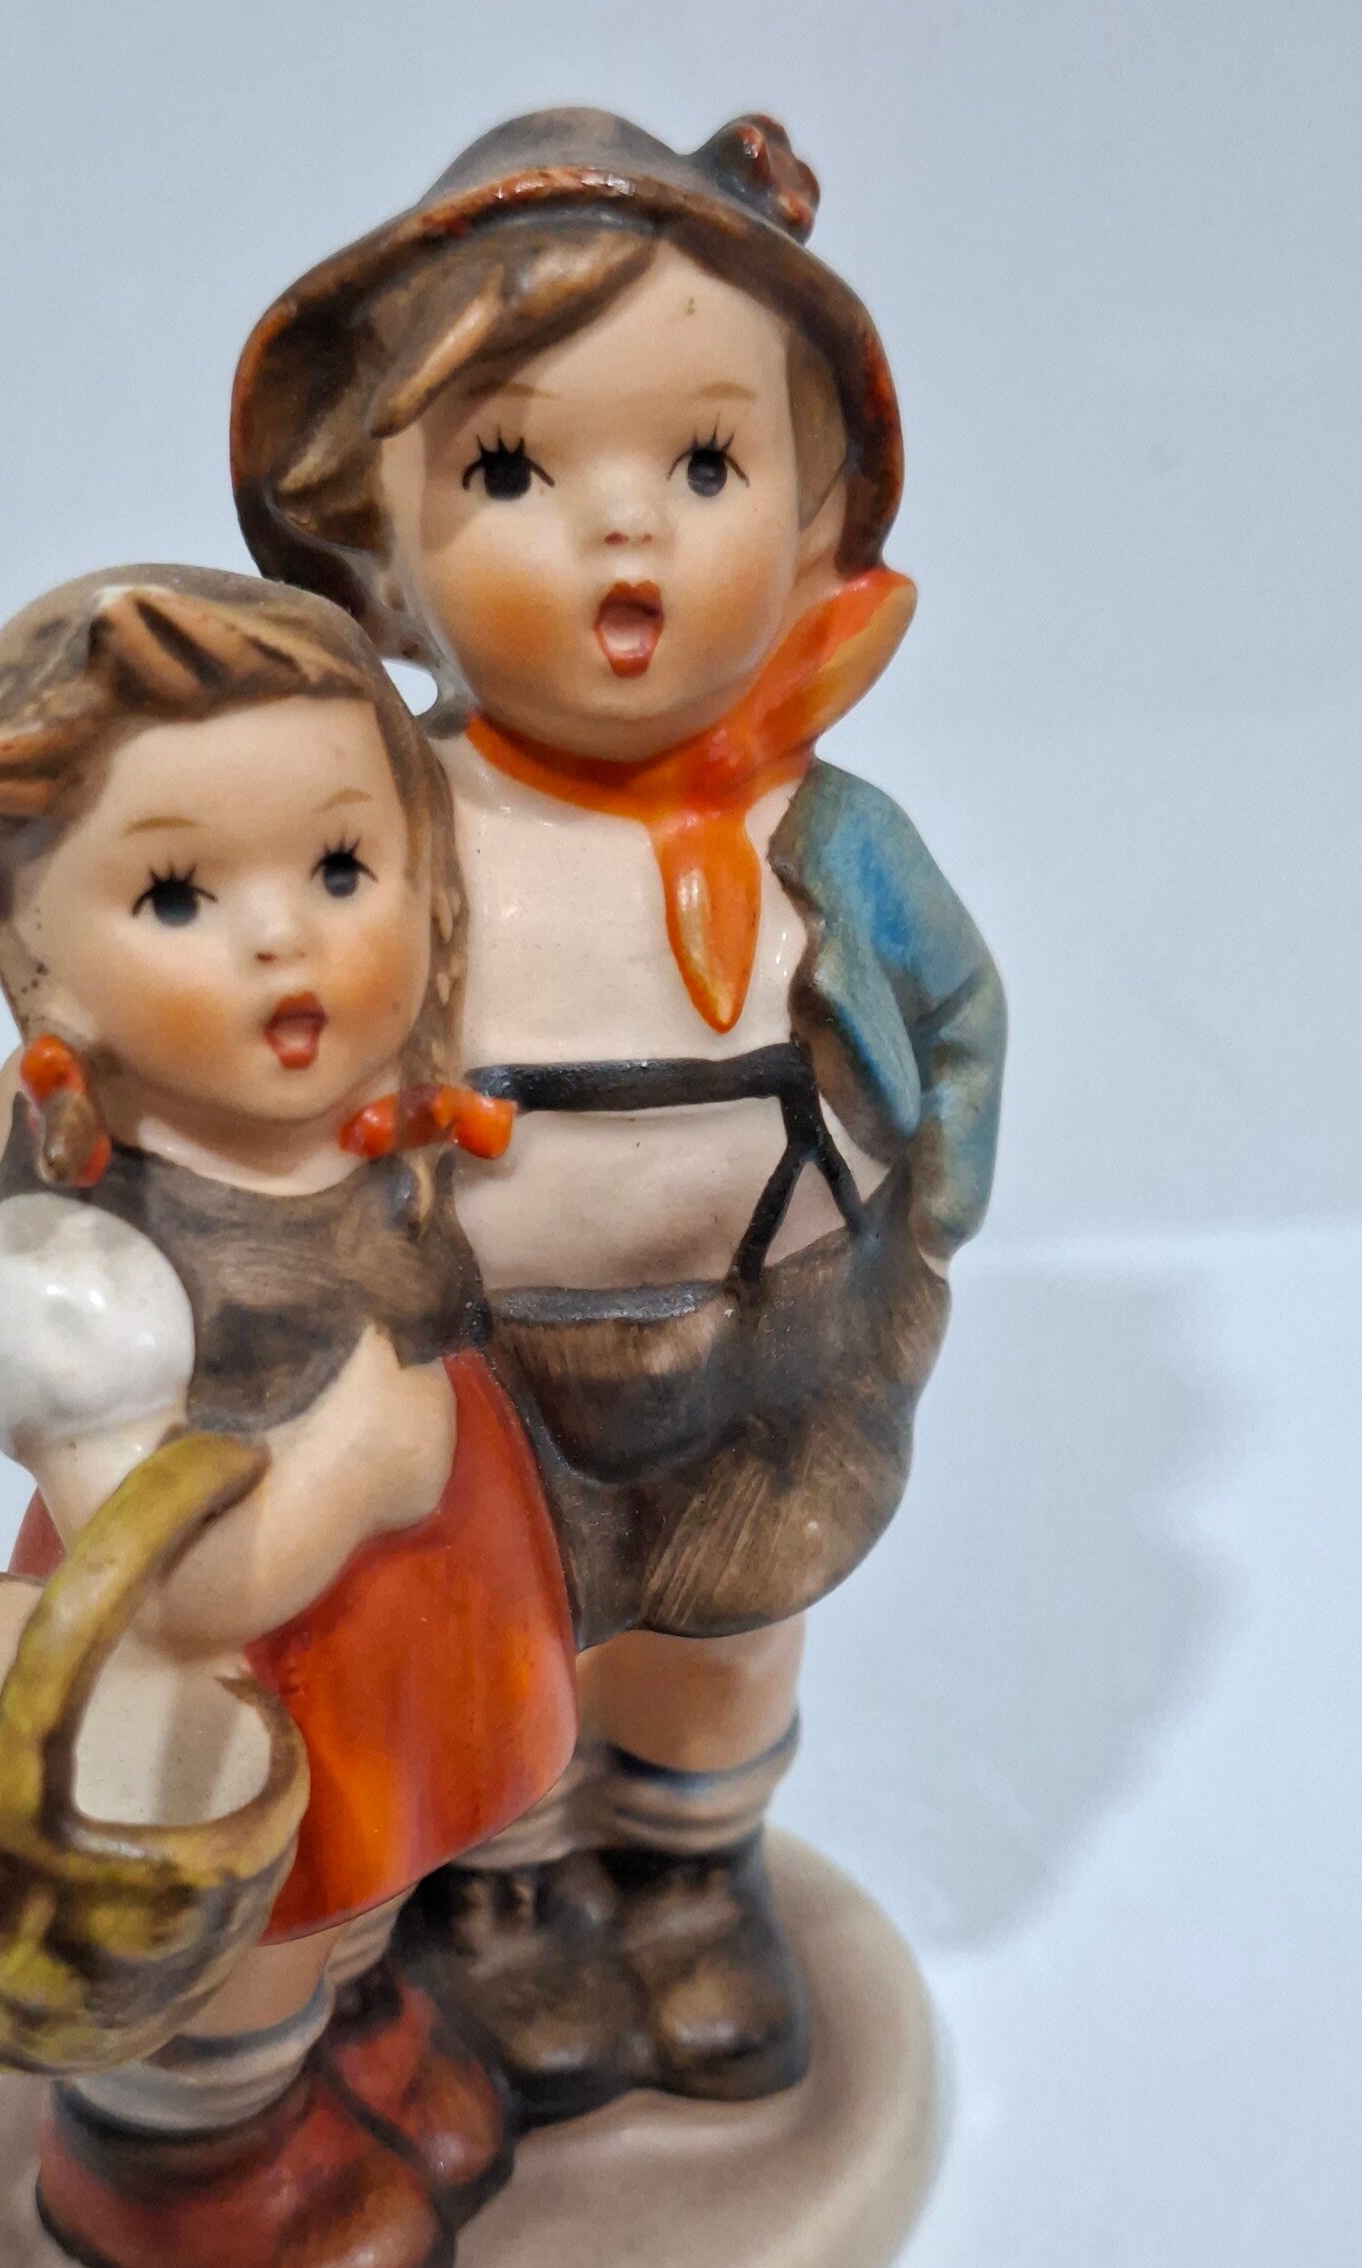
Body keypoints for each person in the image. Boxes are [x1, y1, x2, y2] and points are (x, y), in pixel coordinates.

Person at [229, 112, 1008, 2119]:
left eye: (706, 465)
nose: (624, 535)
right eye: (510, 471)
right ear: (375, 549)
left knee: (728, 1643)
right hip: (486, 1371)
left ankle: (692, 1874)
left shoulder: (831, 833)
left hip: (784, 1334)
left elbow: (957, 1012)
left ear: (818, 522)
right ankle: (508, 1909)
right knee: (502, 1667)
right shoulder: (382, 836)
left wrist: (933, 1207)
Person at [0, 565, 575, 2268]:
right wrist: (350, 1471)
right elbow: (168, 1583)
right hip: (235, 1677)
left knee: (365, 1889)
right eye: (181, 895)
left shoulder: (384, 1123)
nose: (288, 944)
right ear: (32, 956)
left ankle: (350, 2036)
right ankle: (181, 2160)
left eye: (343, 869)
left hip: (401, 1637)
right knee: (245, 1932)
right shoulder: (77, 1264)